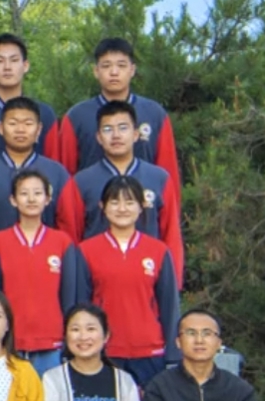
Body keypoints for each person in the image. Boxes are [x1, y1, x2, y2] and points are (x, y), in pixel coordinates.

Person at [75, 175, 181, 386]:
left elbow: (169, 305)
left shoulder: (158, 251)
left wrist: (173, 353)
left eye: (130, 202)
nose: (122, 208)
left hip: (149, 350)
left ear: (142, 206)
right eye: (115, 202)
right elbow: (80, 305)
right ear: (102, 206)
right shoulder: (86, 250)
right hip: (104, 349)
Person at [65, 99, 185, 282]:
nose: (116, 135)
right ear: (98, 137)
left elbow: (171, 234)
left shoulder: (159, 179)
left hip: (149, 278)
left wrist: (172, 282)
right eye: (107, 129)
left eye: (123, 128)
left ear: (136, 134)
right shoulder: (81, 182)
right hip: (96, 280)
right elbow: (71, 235)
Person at [0, 169, 85, 373]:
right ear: (13, 200)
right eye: (24, 193)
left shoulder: (62, 242)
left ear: (48, 199)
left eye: (37, 193)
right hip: (9, 340)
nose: (31, 199)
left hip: (51, 341)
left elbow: (69, 297)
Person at [49, 37, 182, 186]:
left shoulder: (155, 113)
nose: (114, 72)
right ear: (96, 71)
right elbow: (65, 174)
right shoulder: (76, 116)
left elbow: (168, 173)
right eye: (106, 66)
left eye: (121, 65)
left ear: (132, 70)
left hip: (144, 198)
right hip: (92, 198)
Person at [0, 96, 77, 237]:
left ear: (39, 129)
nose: (20, 130)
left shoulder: (57, 173)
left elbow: (68, 225)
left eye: (28, 123)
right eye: (13, 123)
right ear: (0, 128)